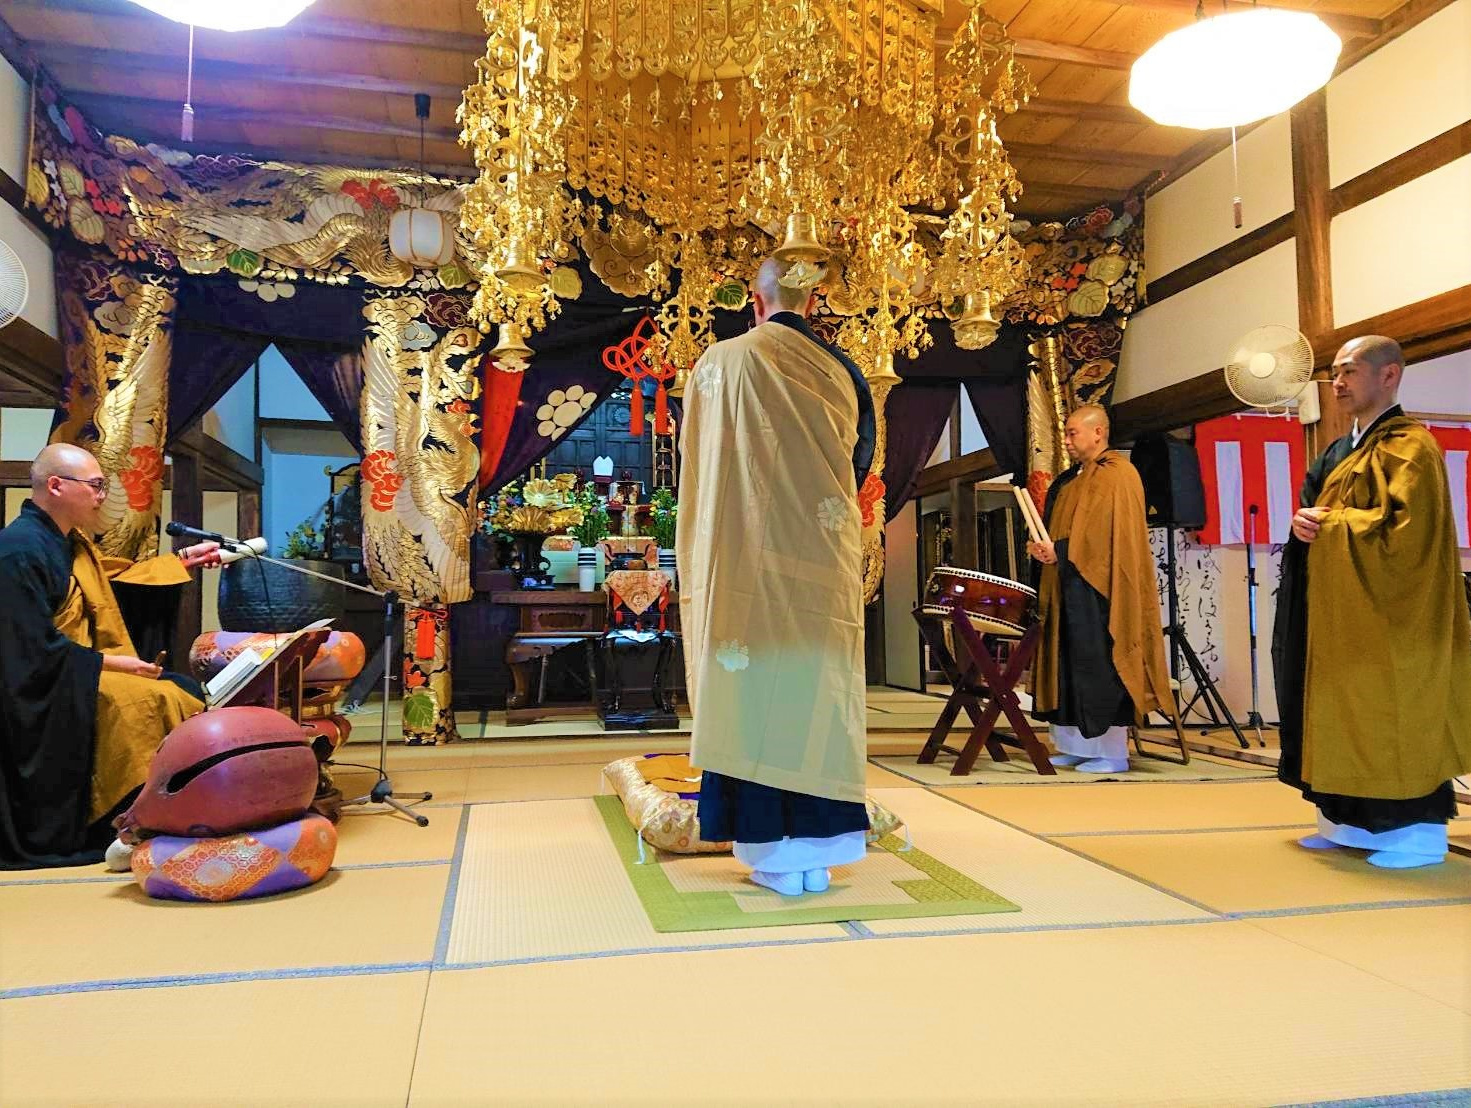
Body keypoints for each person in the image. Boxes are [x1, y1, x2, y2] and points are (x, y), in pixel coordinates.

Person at [678, 256, 876, 896]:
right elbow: (860, 461)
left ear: (756, 303)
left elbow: (698, 461)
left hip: (743, 564)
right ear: (813, 303)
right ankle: (822, 851)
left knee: (752, 693)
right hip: (819, 565)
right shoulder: (842, 371)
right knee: (816, 694)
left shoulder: (720, 363)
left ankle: (773, 855)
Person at [1273, 336, 1471, 868]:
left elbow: (1409, 535)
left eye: (1350, 372)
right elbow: (1314, 508)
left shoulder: (1411, 447)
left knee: (1390, 715)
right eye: (1334, 372)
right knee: (1337, 709)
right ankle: (1346, 825)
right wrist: (1303, 523)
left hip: (1389, 618)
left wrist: (1331, 524)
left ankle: (1414, 838)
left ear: (1389, 375)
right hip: (1337, 609)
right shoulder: (1341, 449)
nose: (1337, 383)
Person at [0, 443, 220, 869]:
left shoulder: (67, 542)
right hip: (43, 686)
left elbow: (108, 586)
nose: (103, 496)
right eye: (96, 486)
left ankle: (172, 810)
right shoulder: (18, 550)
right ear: (56, 485)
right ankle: (125, 821)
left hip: (74, 667)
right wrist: (113, 663)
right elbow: (26, 647)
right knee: (154, 700)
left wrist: (180, 562)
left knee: (182, 688)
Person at [1026, 404, 1175, 773]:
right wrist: (1047, 550)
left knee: (1100, 664)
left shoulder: (1118, 474)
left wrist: (1060, 550)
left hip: (1102, 590)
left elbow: (1109, 536)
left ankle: (1111, 753)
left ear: (1098, 432)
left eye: (1072, 432)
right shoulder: (1071, 480)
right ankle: (1076, 746)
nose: (1067, 440)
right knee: (1067, 666)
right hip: (1068, 584)